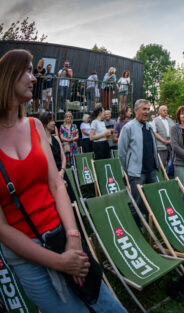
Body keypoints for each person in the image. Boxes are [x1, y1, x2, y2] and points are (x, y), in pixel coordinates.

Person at [0, 49, 126, 313]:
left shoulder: (35, 126)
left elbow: (57, 184)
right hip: (28, 256)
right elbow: (1, 228)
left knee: (109, 306)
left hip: (61, 233)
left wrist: (73, 237)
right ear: (8, 76)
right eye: (27, 70)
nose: (34, 78)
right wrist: (59, 263)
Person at [118, 99, 160, 223]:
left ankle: (150, 225)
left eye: (148, 109)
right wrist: (128, 170)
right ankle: (137, 230)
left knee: (151, 200)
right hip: (136, 173)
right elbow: (122, 153)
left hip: (151, 171)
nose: (147, 112)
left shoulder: (149, 126)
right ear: (136, 110)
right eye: (144, 109)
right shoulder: (128, 128)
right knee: (136, 203)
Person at [39, 112, 66, 179]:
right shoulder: (40, 141)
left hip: (62, 174)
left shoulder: (57, 138)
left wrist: (62, 171)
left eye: (53, 120)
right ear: (44, 122)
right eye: (51, 121)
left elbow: (63, 158)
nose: (54, 123)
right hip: (50, 177)